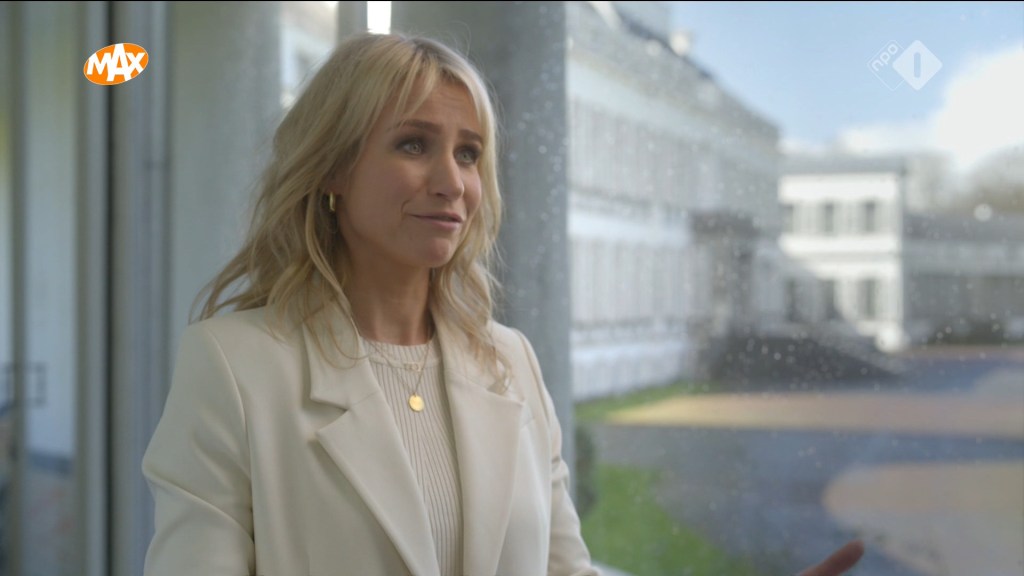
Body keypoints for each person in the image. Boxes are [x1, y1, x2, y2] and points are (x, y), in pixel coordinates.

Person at [141, 32, 863, 576]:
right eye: (414, 144)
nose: (452, 183)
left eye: (468, 153)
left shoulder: (510, 361)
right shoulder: (233, 366)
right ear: (332, 167)